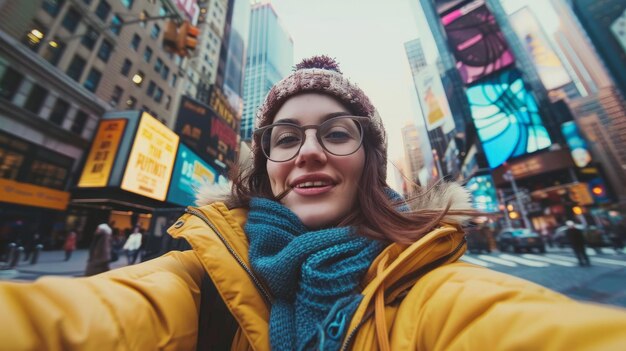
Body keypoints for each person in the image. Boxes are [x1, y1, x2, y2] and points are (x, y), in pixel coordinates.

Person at [1, 56, 626, 350]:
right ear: (267, 164)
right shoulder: (203, 274)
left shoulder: (425, 286)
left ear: (369, 161)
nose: (309, 152)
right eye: (286, 136)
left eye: (336, 132)